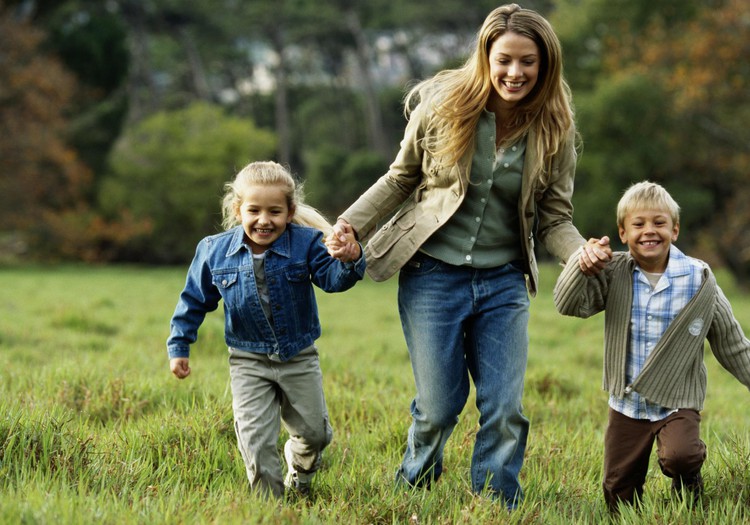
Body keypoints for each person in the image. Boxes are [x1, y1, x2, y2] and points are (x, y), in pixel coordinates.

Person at [327, 3, 610, 508]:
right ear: (485, 56)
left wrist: (580, 252)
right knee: (438, 407)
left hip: (503, 282)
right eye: (505, 59)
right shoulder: (442, 107)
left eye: (528, 62)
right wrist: (348, 227)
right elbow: (400, 179)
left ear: (545, 67)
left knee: (504, 406)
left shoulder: (554, 129)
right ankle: (413, 490)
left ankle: (495, 504)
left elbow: (555, 219)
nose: (515, 72)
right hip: (432, 275)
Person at [167, 161, 365, 499]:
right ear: (237, 209)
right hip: (248, 360)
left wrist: (349, 259)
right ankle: (270, 510)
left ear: (289, 212)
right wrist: (179, 346)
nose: (264, 220)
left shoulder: (306, 244)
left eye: (274, 211)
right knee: (256, 441)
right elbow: (193, 301)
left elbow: (333, 281)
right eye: (254, 210)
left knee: (315, 434)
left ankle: (299, 471)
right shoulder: (215, 251)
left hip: (298, 356)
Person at [554, 181, 750, 511]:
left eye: (659, 223)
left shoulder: (698, 279)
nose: (649, 231)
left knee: (681, 456)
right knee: (618, 493)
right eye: (639, 224)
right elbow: (566, 304)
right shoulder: (614, 271)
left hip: (678, 400)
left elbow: (733, 345)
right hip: (627, 403)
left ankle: (688, 482)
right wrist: (580, 265)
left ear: (675, 229)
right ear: (622, 232)